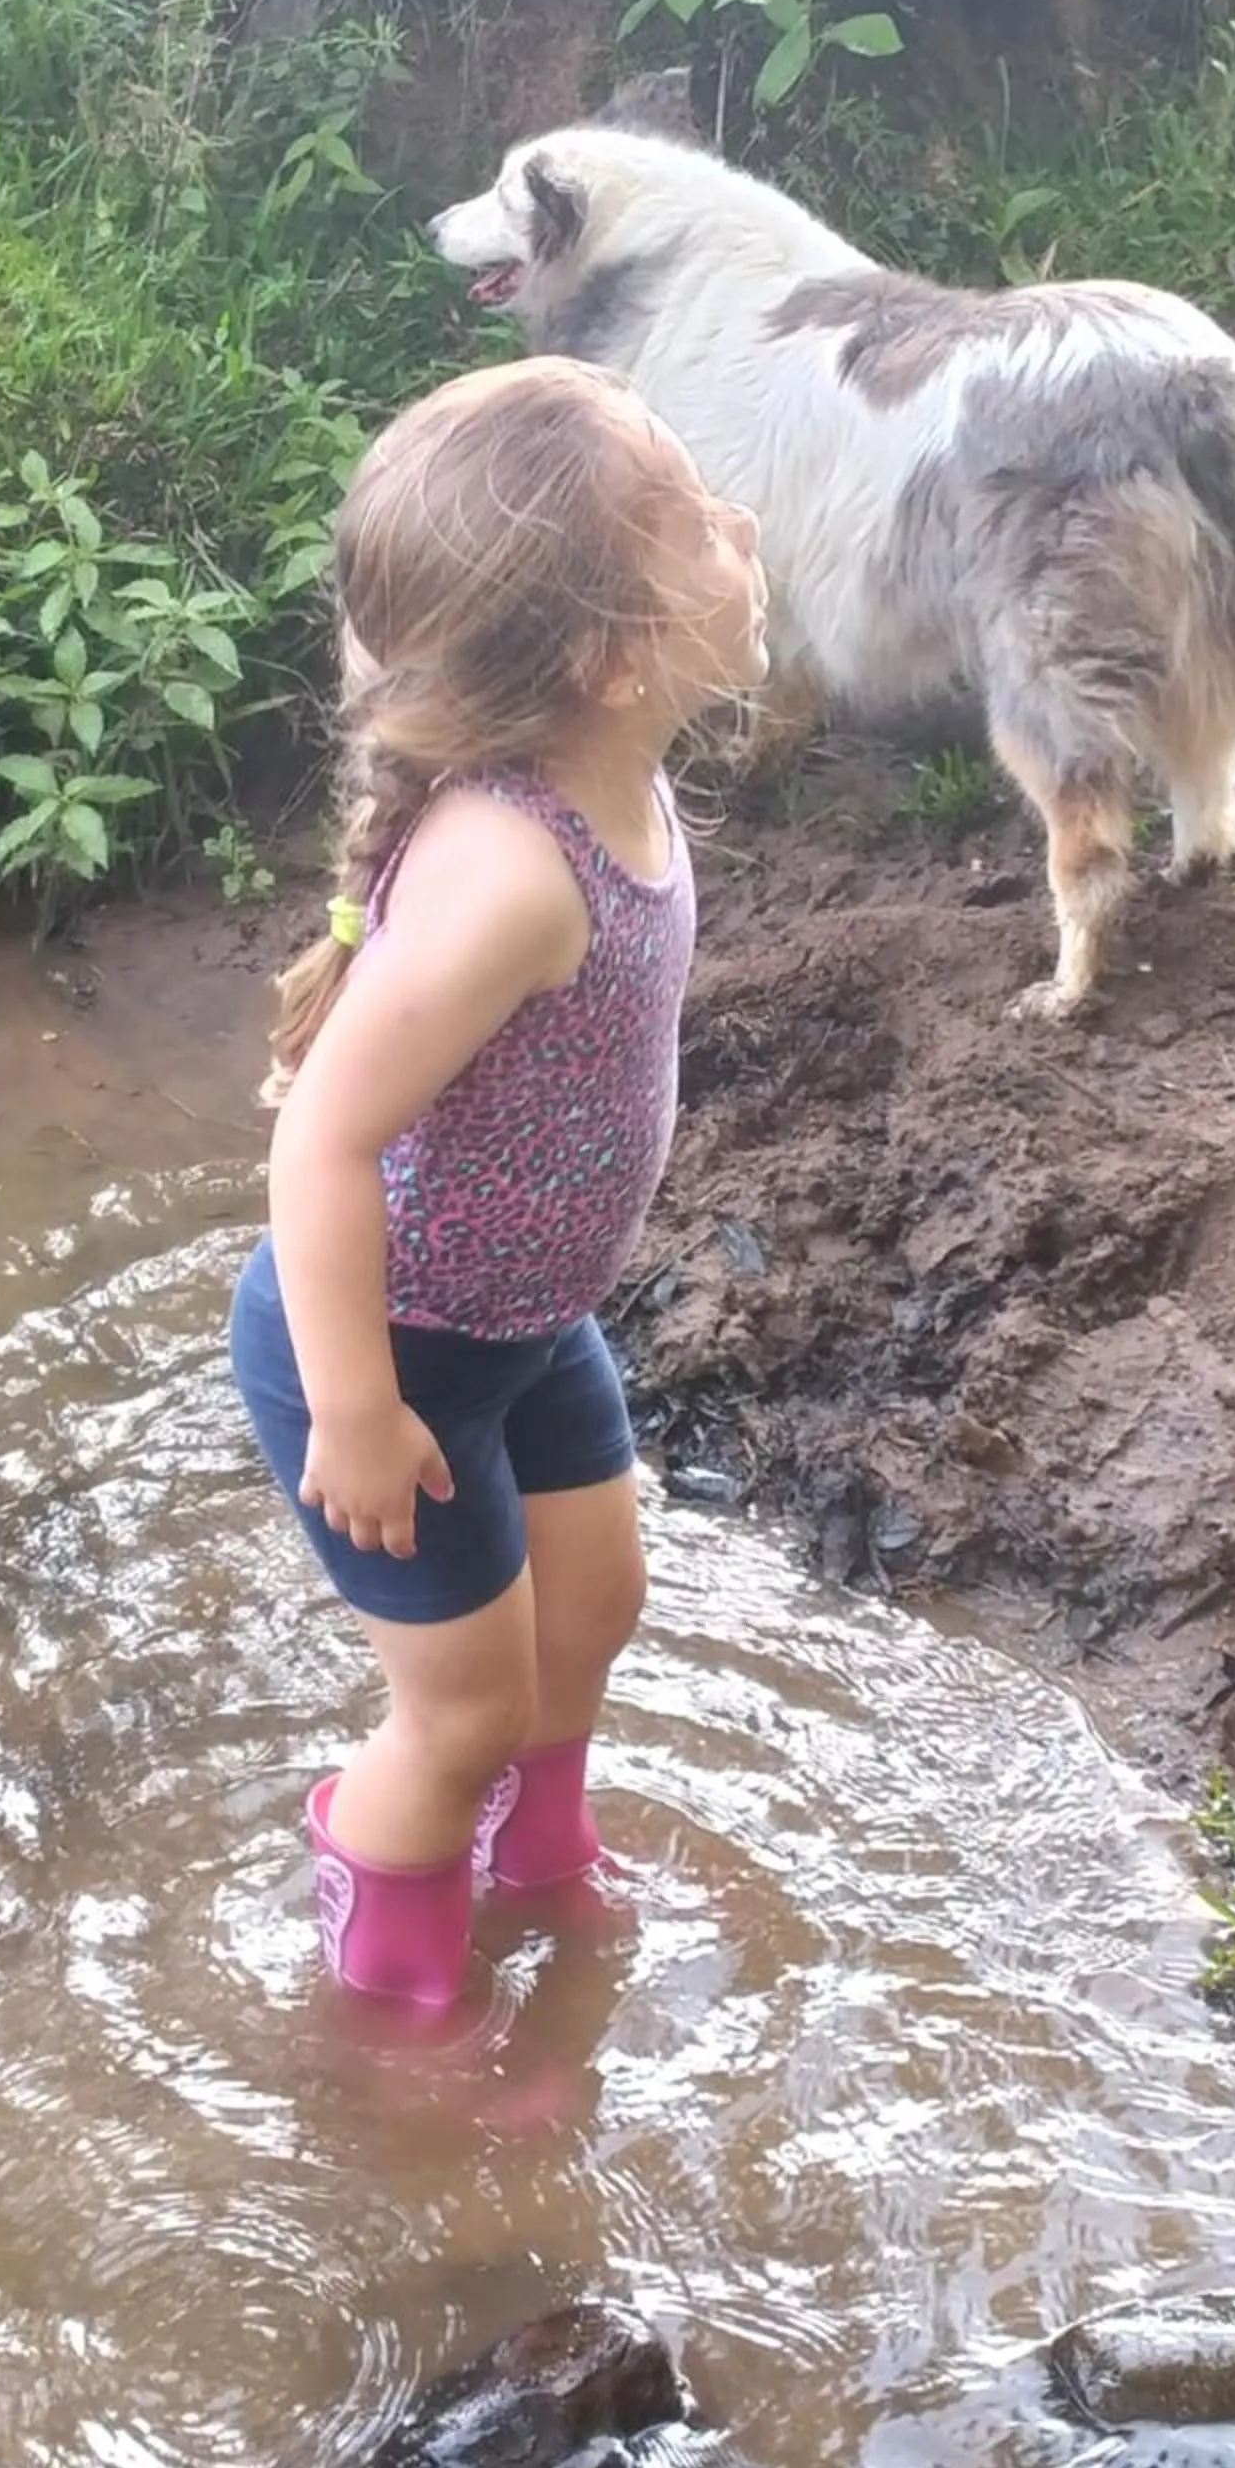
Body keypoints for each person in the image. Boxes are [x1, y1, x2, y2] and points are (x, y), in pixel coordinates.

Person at [230, 355, 767, 2015]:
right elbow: (318, 1140)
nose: (740, 533)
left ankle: (538, 1863)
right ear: (611, 657)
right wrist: (354, 1412)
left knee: (593, 1608)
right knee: (455, 1712)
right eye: (696, 525)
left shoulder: (613, 768)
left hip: (526, 1324)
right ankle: (391, 1997)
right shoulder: (511, 876)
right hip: (380, 1348)